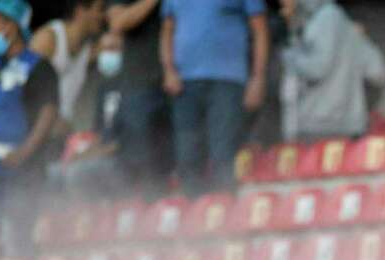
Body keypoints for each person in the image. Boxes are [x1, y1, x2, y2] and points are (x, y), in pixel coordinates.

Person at [0, 0, 60, 260]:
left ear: (12, 26)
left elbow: (48, 113)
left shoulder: (38, 66)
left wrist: (24, 152)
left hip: (19, 174)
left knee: (17, 241)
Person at [160, 0, 269, 194]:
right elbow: (167, 30)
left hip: (227, 82)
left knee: (224, 154)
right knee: (187, 155)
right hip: (185, 84)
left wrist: (257, 78)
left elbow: (260, 29)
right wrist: (168, 69)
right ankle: (196, 219)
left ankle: (223, 217)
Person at [278, 0, 385, 142]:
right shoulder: (344, 23)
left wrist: (288, 57)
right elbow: (377, 71)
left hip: (316, 125)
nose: (281, 4)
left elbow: (317, 68)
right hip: (350, 127)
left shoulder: (320, 21)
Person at [106, 0, 172, 195]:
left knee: (176, 160)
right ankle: (141, 219)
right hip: (140, 87)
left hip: (179, 83)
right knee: (141, 163)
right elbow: (118, 23)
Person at [58, 30, 126, 196]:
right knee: (54, 172)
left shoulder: (131, 86)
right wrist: (79, 152)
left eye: (112, 49)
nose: (106, 54)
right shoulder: (103, 88)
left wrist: (89, 155)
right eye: (103, 49)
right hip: (101, 156)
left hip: (123, 160)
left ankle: (83, 219)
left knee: (76, 172)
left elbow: (126, 141)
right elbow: (97, 133)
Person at [30, 0, 106, 129]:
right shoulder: (48, 39)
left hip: (60, 134)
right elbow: (23, 90)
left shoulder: (88, 50)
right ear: (80, 10)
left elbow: (118, 30)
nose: (104, 16)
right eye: (100, 9)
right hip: (35, 131)